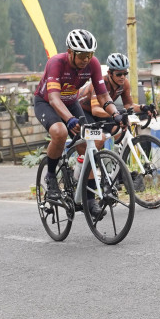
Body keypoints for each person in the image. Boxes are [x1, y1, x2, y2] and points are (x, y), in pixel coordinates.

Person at [33, 28, 111, 202]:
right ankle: (51, 176)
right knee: (60, 132)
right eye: (82, 55)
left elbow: (103, 95)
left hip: (70, 103)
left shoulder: (93, 64)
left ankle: (89, 198)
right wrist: (69, 119)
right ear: (70, 52)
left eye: (89, 55)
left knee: (91, 141)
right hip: (46, 103)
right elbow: (54, 99)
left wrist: (117, 114)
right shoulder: (56, 63)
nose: (86, 59)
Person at [81, 53, 138, 133]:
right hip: (84, 111)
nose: (123, 77)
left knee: (120, 130)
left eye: (125, 73)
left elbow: (128, 105)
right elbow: (95, 110)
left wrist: (143, 108)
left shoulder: (124, 83)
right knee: (99, 138)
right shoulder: (100, 83)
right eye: (119, 74)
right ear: (109, 73)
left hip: (103, 111)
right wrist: (116, 113)